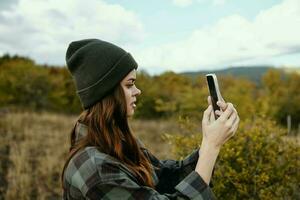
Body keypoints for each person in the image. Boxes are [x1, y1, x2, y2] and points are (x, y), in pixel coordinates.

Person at [61, 39, 240, 200]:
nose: (137, 91)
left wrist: (211, 139)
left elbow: (165, 176)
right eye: (130, 84)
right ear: (106, 92)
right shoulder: (96, 169)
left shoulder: (117, 139)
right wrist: (211, 147)